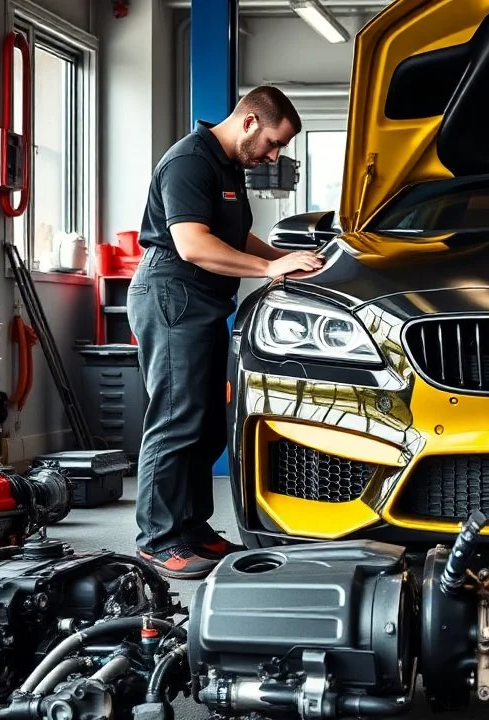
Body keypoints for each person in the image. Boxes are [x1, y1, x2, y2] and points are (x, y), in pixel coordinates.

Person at [127, 86, 324, 579]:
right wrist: (268, 268)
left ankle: (191, 528)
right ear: (251, 121)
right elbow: (193, 244)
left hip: (205, 300)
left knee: (207, 418)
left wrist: (286, 259)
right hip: (173, 294)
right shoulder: (189, 162)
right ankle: (157, 538)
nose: (274, 156)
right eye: (273, 143)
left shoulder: (228, 166)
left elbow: (231, 237)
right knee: (176, 416)